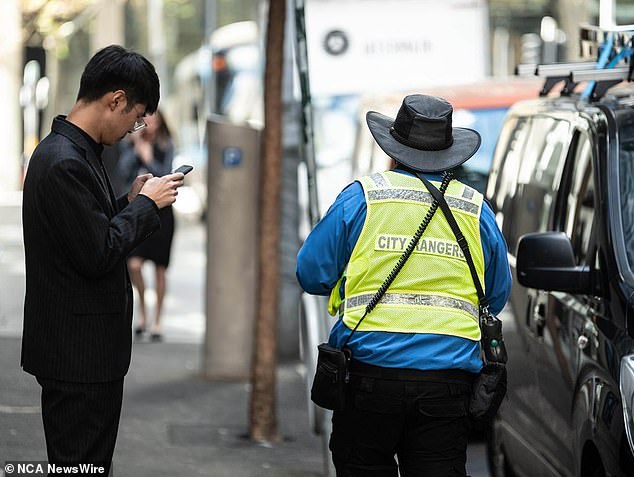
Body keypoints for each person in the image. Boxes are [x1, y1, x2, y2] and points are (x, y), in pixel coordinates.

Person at [296, 94, 512, 477]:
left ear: (391, 151)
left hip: (368, 379)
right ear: (449, 156)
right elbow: (494, 295)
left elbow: (311, 273)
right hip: (447, 387)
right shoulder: (476, 210)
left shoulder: (362, 198)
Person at [20, 45, 185, 474]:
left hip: (82, 351)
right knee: (80, 465)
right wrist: (145, 207)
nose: (137, 126)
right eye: (137, 115)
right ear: (115, 100)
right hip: (78, 355)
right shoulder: (63, 161)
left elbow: (84, 232)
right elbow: (98, 253)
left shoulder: (74, 151)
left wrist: (128, 200)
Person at [117, 110, 175, 342]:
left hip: (163, 213)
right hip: (138, 210)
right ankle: (142, 311)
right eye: (146, 119)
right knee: (134, 265)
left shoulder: (166, 144)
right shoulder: (131, 143)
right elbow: (123, 174)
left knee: (160, 269)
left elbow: (166, 176)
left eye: (154, 118)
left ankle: (158, 320)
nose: (149, 123)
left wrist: (149, 157)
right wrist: (137, 148)